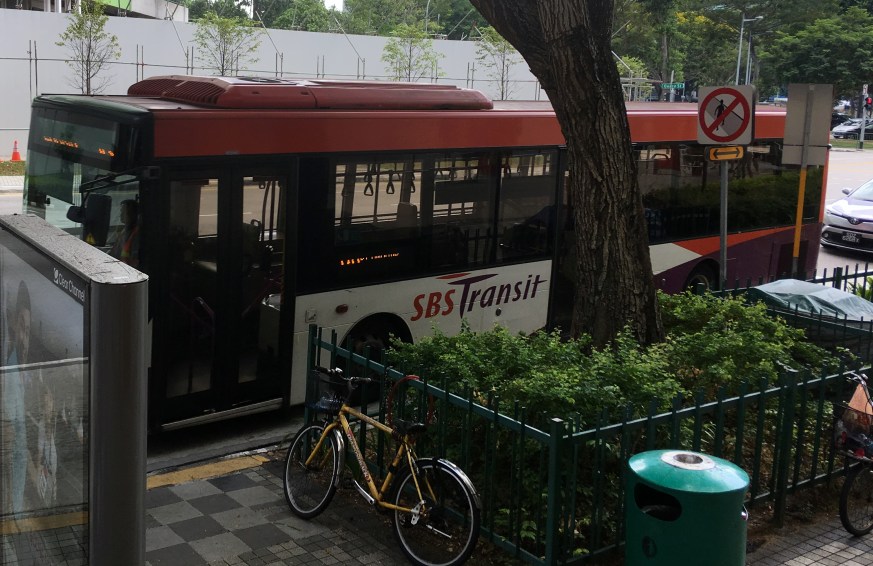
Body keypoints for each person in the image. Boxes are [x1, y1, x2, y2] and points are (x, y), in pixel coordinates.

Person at [2, 280, 31, 513]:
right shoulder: (10, 372)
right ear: (12, 323)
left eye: (28, 331)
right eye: (21, 326)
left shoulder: (24, 374)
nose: (23, 337)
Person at [110, 199, 140, 267]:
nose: (120, 215)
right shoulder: (124, 231)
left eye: (123, 212)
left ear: (132, 214)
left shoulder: (137, 235)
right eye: (121, 212)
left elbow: (135, 262)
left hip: (127, 270)